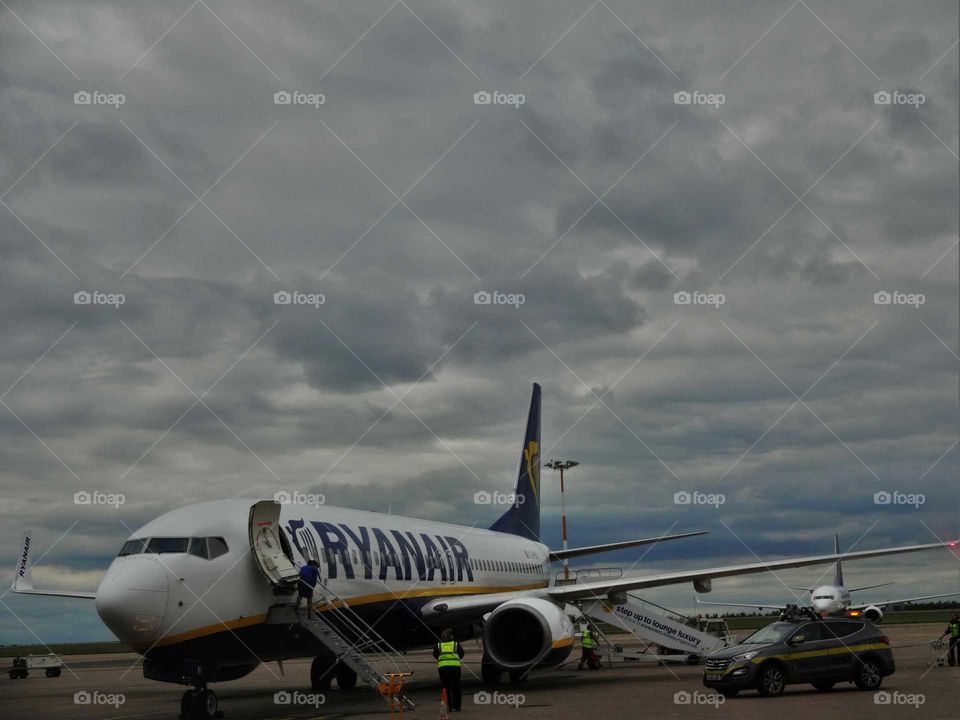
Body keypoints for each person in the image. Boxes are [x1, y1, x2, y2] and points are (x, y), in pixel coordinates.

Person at [433, 628, 464, 712]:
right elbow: (462, 654)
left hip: (443, 668)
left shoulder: (439, 645)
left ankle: (449, 707)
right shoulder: (456, 644)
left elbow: (435, 655)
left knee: (446, 687)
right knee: (456, 687)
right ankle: (457, 706)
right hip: (455, 668)